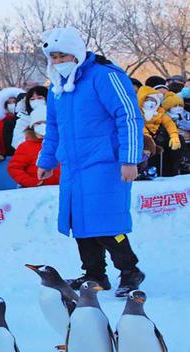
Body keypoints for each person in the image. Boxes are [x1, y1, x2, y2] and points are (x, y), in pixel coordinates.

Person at [36, 27, 144, 297]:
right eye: (54, 57)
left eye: (64, 55)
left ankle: (130, 270)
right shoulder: (57, 88)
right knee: (80, 222)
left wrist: (130, 159)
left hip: (105, 163)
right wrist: (47, 159)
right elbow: (53, 127)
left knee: (107, 222)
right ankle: (95, 273)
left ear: (76, 53)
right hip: (73, 167)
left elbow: (128, 117)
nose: (59, 61)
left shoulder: (104, 76)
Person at [8, 105, 60, 187]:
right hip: (35, 191)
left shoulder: (60, 144)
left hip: (60, 189)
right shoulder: (25, 146)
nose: (42, 126)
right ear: (32, 127)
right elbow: (14, 168)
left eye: (45, 123)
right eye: (38, 123)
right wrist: (31, 182)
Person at [138, 86, 181, 176]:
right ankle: (143, 170)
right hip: (143, 138)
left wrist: (174, 136)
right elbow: (139, 125)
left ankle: (172, 171)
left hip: (157, 135)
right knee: (147, 147)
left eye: (153, 100)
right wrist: (148, 138)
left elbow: (169, 124)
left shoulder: (160, 112)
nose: (150, 102)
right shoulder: (137, 112)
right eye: (148, 99)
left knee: (172, 144)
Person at [0, 87, 24, 160]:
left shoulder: (27, 120)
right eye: (9, 102)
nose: (12, 105)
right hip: (5, 159)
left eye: (14, 102)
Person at [12, 86, 48, 150]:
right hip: (30, 154)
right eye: (32, 99)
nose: (36, 101)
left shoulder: (55, 117)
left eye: (39, 98)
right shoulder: (23, 120)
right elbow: (17, 143)